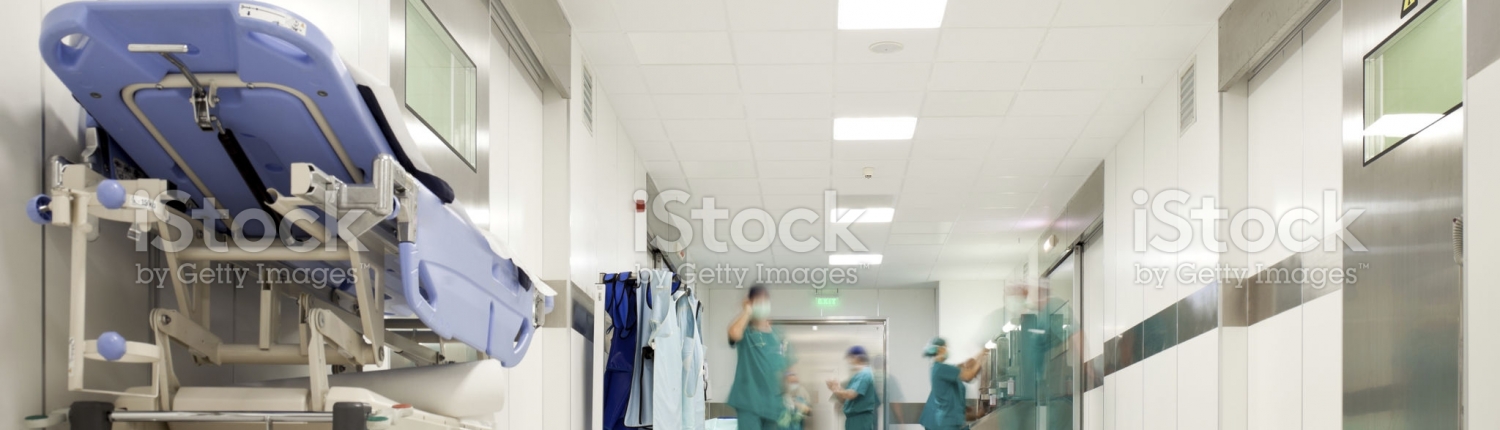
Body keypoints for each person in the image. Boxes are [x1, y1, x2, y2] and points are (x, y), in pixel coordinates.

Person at [727, 286, 787, 430]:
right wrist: (746, 312)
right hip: (750, 401)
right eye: (758, 301)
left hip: (772, 404)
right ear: (750, 303)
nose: (763, 304)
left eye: (765, 300)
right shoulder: (746, 330)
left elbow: (781, 367)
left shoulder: (776, 335)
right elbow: (734, 333)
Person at [918, 338, 986, 430]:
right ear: (940, 349)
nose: (947, 350)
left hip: (944, 422)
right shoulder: (941, 369)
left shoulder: (942, 369)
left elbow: (965, 366)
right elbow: (969, 375)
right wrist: (983, 356)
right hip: (941, 424)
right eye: (945, 347)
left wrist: (978, 356)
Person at [827, 346, 879, 430]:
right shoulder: (857, 376)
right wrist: (836, 389)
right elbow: (844, 400)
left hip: (860, 419)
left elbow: (852, 394)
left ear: (857, 358)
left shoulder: (865, 374)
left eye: (850, 358)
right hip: (853, 419)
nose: (849, 362)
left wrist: (836, 389)